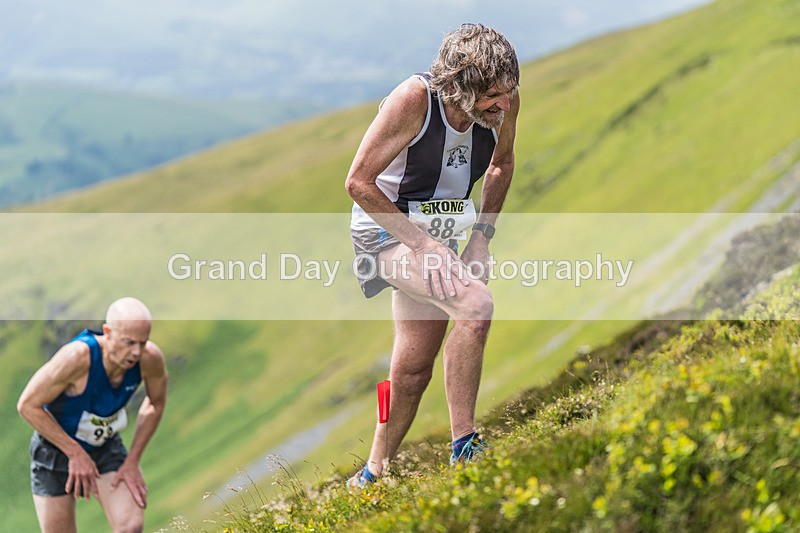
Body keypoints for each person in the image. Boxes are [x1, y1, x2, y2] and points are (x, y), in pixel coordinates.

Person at [345, 23, 520, 487]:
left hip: (442, 237)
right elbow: (358, 182)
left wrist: (482, 237)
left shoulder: (504, 101)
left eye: (508, 93)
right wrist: (422, 246)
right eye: (492, 96)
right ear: (459, 86)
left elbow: (501, 162)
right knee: (475, 305)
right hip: (386, 233)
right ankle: (465, 446)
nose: (502, 105)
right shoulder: (413, 100)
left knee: (412, 369)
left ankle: (371, 475)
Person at [17, 298, 168, 533]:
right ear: (108, 332)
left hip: (104, 446)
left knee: (131, 526)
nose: (136, 352)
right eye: (129, 342)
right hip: (54, 451)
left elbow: (155, 403)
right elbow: (27, 405)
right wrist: (75, 452)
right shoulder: (77, 358)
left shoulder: (149, 359)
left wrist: (133, 461)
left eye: (143, 342)